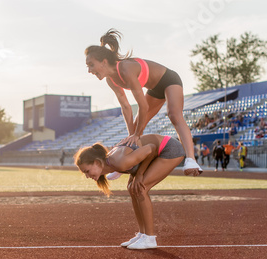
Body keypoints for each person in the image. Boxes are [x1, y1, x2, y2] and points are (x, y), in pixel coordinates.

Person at [85, 29, 201, 177]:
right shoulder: (111, 80)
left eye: (91, 65)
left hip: (169, 80)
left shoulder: (126, 69)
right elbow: (126, 107)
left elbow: (143, 106)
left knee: (174, 115)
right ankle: (124, 164)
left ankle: (191, 159)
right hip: (154, 89)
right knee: (134, 128)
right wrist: (132, 136)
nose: (89, 70)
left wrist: (137, 134)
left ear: (104, 62)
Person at [74, 134, 186, 250]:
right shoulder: (113, 162)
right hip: (157, 152)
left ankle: (150, 238)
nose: (87, 176)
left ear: (97, 162)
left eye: (87, 171)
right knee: (132, 189)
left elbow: (151, 148)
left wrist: (139, 175)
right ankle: (142, 234)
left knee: (141, 189)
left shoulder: (119, 162)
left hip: (169, 149)